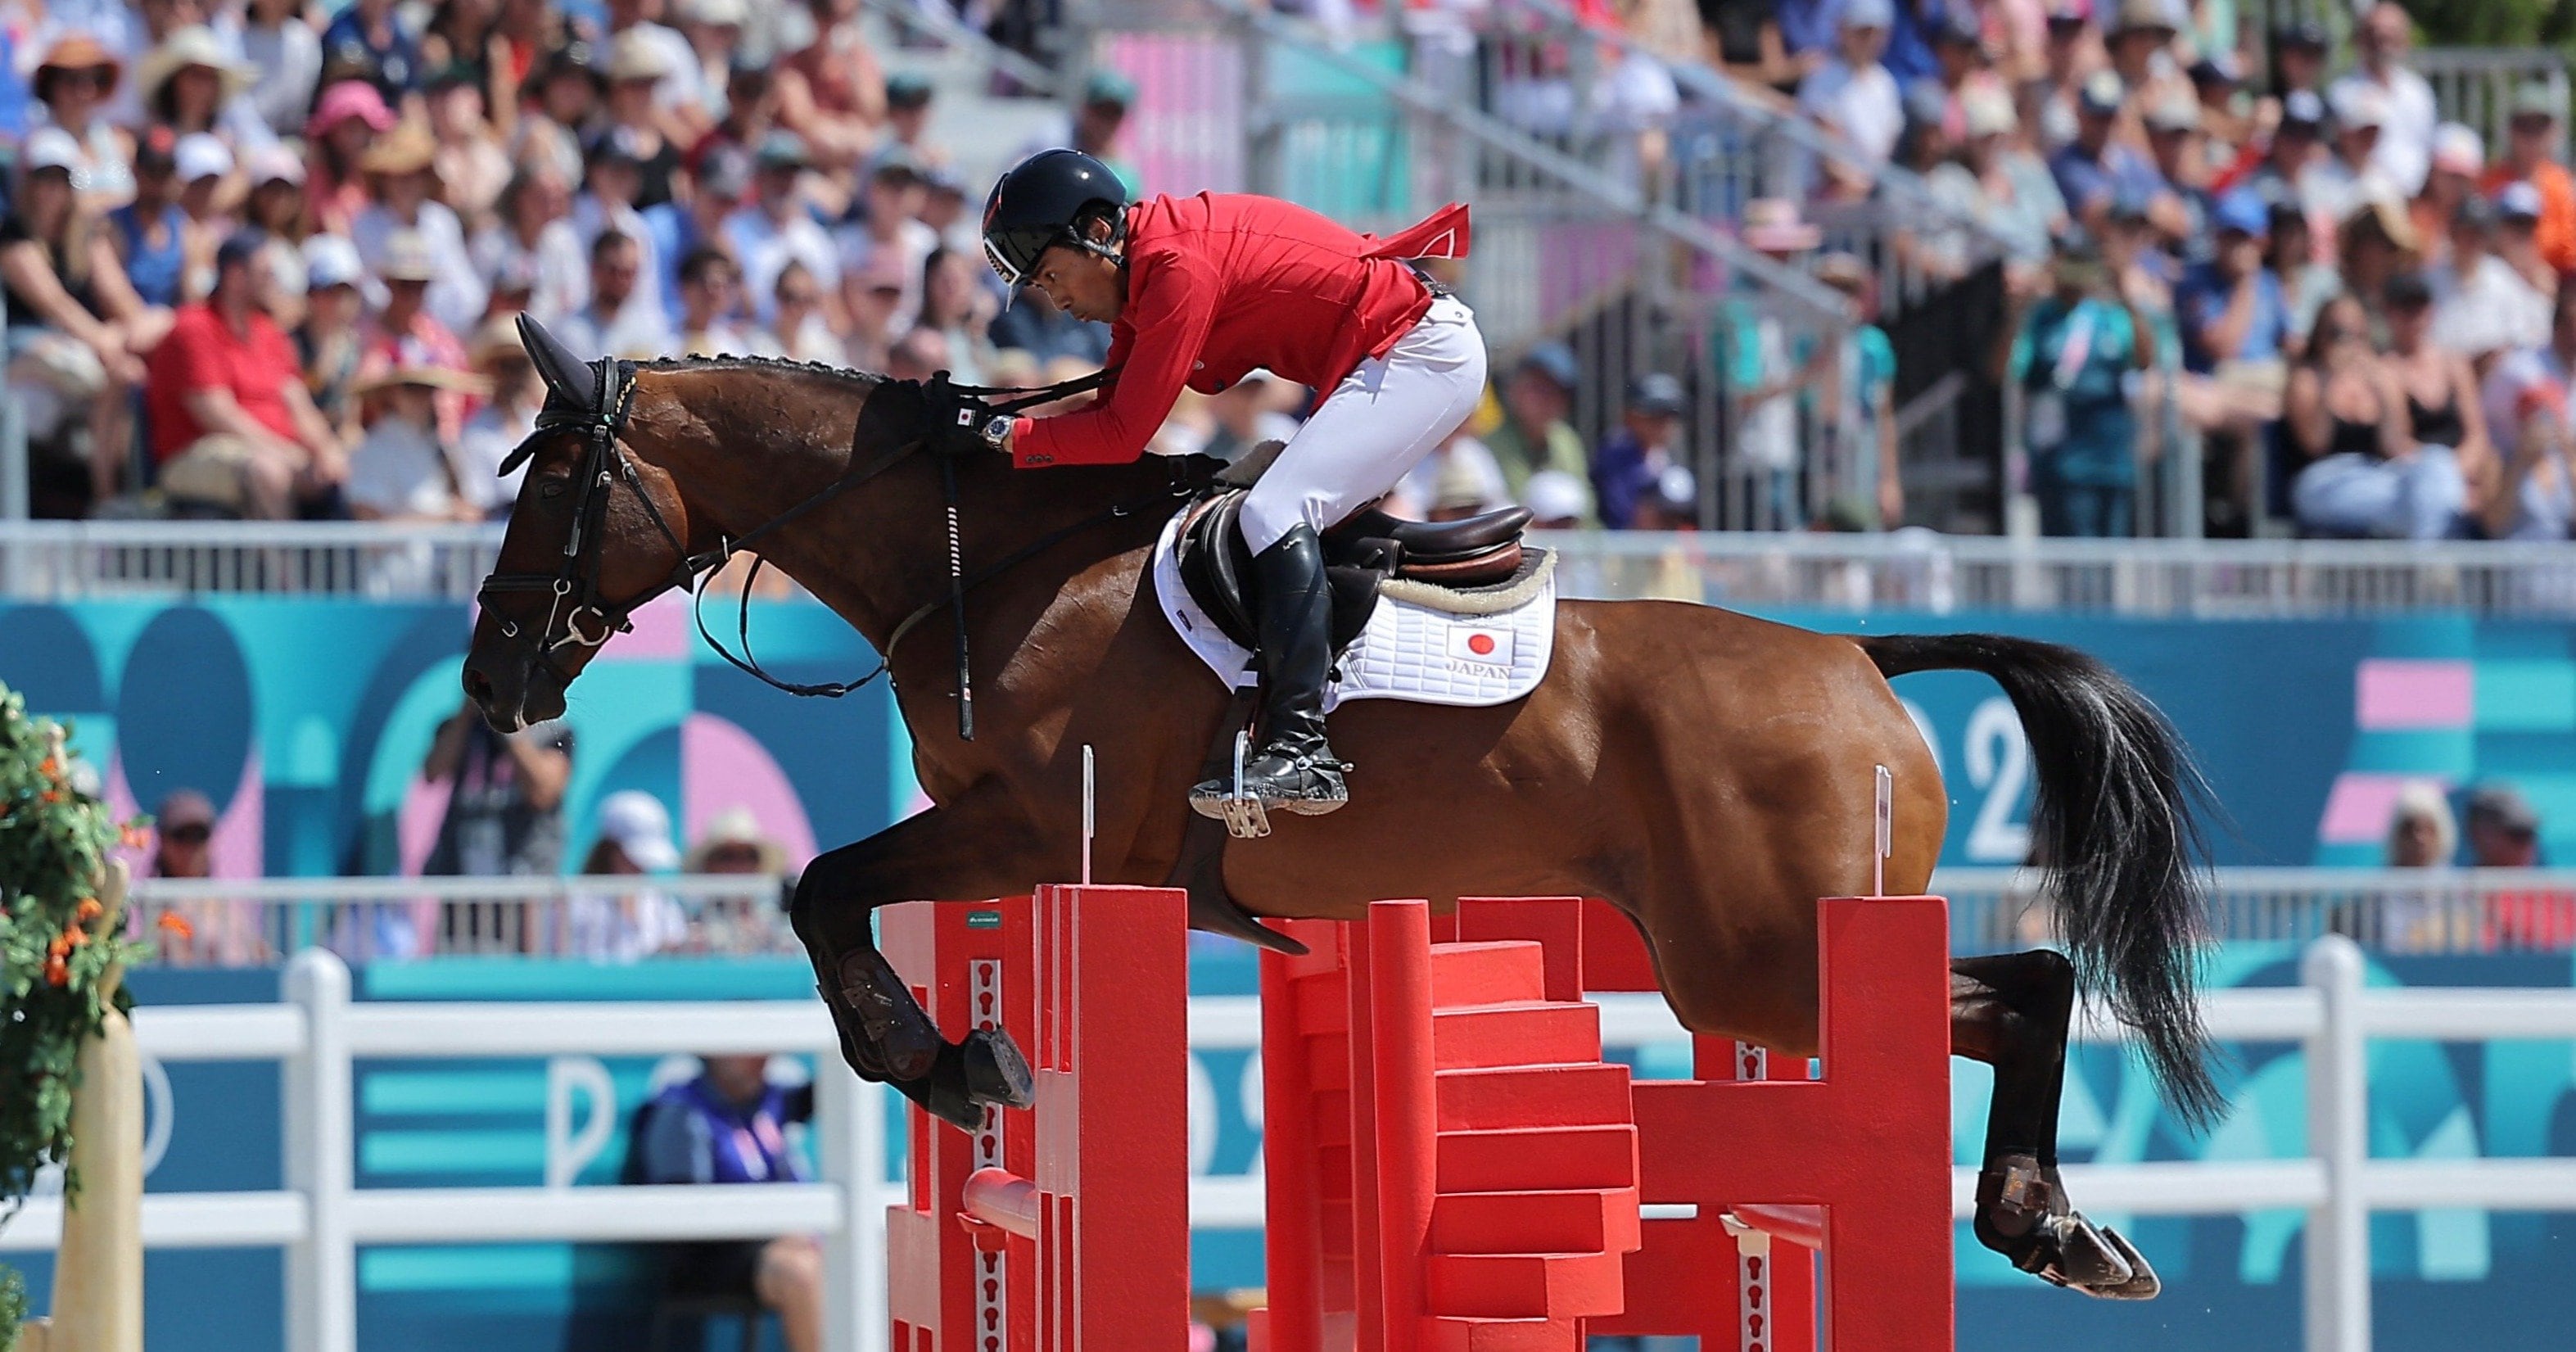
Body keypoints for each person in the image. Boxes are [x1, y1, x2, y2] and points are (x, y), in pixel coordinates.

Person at [966, 149, 1484, 816]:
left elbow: (1122, 436)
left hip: (1419, 354)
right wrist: (994, 426)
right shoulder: (1146, 269)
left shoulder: (1178, 267)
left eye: (1050, 274)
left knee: (1273, 510)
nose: (1057, 301)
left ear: (1098, 234)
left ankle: (1301, 745)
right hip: (1392, 355)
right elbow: (1105, 409)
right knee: (1265, 506)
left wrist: (1004, 438)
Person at [5, 127, 165, 509]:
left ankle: (108, 495)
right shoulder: (11, 233)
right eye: (43, 177)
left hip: (76, 344)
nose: (51, 189)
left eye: (61, 179)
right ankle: (106, 494)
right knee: (91, 367)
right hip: (24, 347)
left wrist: (148, 328)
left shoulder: (85, 234)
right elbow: (53, 303)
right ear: (28, 181)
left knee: (127, 368)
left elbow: (116, 295)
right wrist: (105, 341)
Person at [146, 228, 346, 518]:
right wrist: (288, 455)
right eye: (265, 272)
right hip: (196, 454)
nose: (273, 281)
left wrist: (327, 450)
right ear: (236, 276)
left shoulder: (270, 333)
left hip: (271, 449)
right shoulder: (194, 328)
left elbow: (298, 404)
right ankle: (285, 564)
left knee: (338, 470)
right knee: (269, 472)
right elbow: (218, 415)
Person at [630, 1054, 823, 1352]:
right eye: (747, 1053)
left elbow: (823, 1094)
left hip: (783, 1241)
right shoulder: (682, 1111)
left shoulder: (767, 1102)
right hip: (713, 1255)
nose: (758, 1062)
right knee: (801, 1272)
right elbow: (681, 1213)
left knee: (877, 1254)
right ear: (714, 1055)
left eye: (763, 1054)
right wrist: (774, 1230)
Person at [1996, 234, 2153, 537]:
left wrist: (2125, 294)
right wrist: (2017, 309)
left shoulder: (2111, 317)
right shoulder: (2039, 319)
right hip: (2061, 465)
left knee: (2107, 564)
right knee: (2073, 566)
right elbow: (2004, 369)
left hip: (2111, 462)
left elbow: (2144, 359)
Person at [2286, 292, 2465, 540]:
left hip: (2377, 475)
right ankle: (2432, 556)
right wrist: (2329, 384)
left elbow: (2395, 447)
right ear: (2320, 333)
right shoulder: (2308, 380)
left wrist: (2382, 390)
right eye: (2338, 333)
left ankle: (2426, 556)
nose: (2348, 342)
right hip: (2324, 481)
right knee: (2424, 503)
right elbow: (2316, 443)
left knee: (2437, 460)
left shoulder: (2381, 377)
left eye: (2356, 333)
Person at [422, 693, 571, 877]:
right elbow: (433, 773)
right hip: (462, 879)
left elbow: (544, 794)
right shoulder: (459, 728)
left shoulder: (553, 734)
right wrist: (466, 714)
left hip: (525, 877)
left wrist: (508, 724)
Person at [2477, 279, 2576, 542]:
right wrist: (2522, 458)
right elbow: (2492, 522)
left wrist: (2568, 454)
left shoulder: (2565, 460)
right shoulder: (2516, 371)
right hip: (2516, 570)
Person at [346, 362, 490, 522]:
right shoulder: (373, 451)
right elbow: (370, 530)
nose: (424, 398)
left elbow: (470, 505)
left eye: (430, 390)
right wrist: (445, 518)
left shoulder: (443, 448)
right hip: (402, 548)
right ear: (392, 395)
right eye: (413, 389)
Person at [2328, 2, 2435, 200]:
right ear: (2360, 39)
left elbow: (2427, 148)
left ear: (2405, 40)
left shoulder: (2418, 92)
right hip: (2361, 199)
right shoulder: (2341, 93)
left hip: (2414, 202)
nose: (2382, 41)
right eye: (2374, 34)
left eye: (2391, 34)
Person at [2483, 82, 2576, 278]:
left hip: (2550, 284)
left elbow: (2569, 255)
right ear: (2510, 130)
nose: (2531, 137)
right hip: (2497, 280)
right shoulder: (2488, 182)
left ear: (2553, 132)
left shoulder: (2561, 185)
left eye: (2539, 128)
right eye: (2524, 127)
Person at [30, 35, 135, 209]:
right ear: (51, 84)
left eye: (94, 79)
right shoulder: (40, 143)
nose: (84, 90)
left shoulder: (119, 140)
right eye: (72, 80)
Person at [1482, 343, 1590, 509]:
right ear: (1514, 390)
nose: (1546, 400)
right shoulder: (1490, 444)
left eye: (1557, 391)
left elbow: (1585, 512)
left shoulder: (1567, 442)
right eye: (1538, 388)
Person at [1796, 0, 1903, 162]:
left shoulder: (1885, 83)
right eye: (1863, 33)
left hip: (1870, 181)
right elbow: (1831, 160)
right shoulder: (1823, 78)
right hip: (1824, 186)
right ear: (1843, 31)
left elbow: (1887, 148)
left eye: (1877, 33)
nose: (1871, 40)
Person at [456, 318, 539, 516]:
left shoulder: (540, 424)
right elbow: (478, 502)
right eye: (505, 366)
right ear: (490, 370)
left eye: (521, 366)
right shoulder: (473, 432)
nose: (514, 376)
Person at [558, 228, 675, 359]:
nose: (621, 280)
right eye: (613, 271)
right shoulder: (570, 332)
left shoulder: (651, 329)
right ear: (595, 269)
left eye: (628, 273)